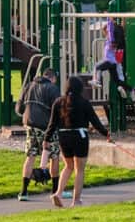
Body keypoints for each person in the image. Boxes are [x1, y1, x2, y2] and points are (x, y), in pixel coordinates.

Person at [46, 75, 110, 208]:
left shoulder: (58, 102)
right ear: (80, 88)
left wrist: (46, 138)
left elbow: (52, 123)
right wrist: (106, 134)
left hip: (63, 136)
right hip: (80, 136)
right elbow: (95, 121)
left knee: (68, 166)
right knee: (79, 169)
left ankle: (58, 193)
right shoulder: (84, 102)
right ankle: (76, 200)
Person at [15, 68, 61, 201]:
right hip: (46, 127)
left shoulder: (29, 85)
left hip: (30, 125)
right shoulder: (52, 89)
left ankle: (23, 192)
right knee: (54, 156)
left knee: (30, 156)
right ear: (52, 78)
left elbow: (19, 108)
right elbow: (58, 109)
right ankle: (55, 191)